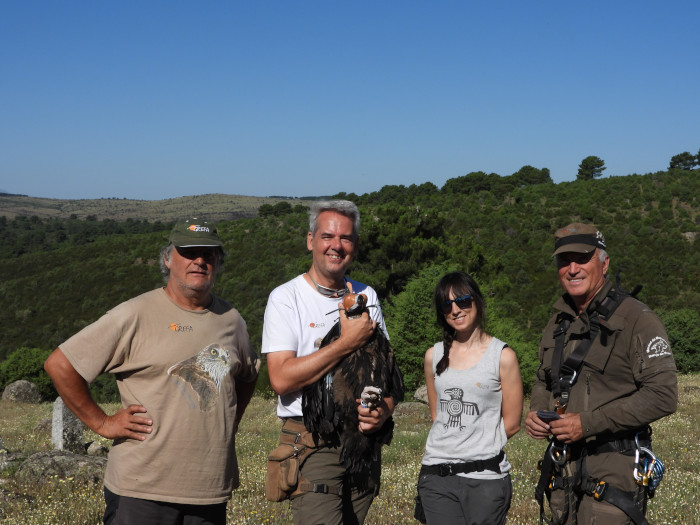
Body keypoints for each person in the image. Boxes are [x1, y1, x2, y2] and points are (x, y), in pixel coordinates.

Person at [44, 218, 260, 525]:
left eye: (208, 254)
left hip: (209, 489)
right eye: (189, 252)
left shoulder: (231, 319)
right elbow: (60, 365)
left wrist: (230, 422)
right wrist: (103, 423)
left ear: (218, 261)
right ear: (168, 259)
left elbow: (248, 375)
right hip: (141, 489)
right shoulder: (134, 313)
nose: (199, 260)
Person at [525, 223, 678, 525]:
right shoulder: (558, 322)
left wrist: (587, 423)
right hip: (563, 470)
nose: (572, 269)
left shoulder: (637, 319)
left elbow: (663, 395)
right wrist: (537, 413)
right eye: (563, 261)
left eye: (582, 259)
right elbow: (544, 379)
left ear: (604, 263)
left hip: (613, 472)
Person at [262, 199, 399, 525]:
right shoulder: (286, 298)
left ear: (355, 245)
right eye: (327, 236)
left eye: (346, 238)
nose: (336, 246)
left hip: (362, 444)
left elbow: (388, 378)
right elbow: (280, 379)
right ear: (311, 241)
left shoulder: (369, 297)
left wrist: (382, 412)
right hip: (313, 441)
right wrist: (346, 343)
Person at [417, 271, 523, 525]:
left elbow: (512, 423)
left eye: (463, 300)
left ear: (476, 301)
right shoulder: (433, 355)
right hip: (436, 477)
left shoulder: (503, 356)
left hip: (486, 480)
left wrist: (477, 445)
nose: (455, 309)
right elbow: (438, 416)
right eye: (447, 304)